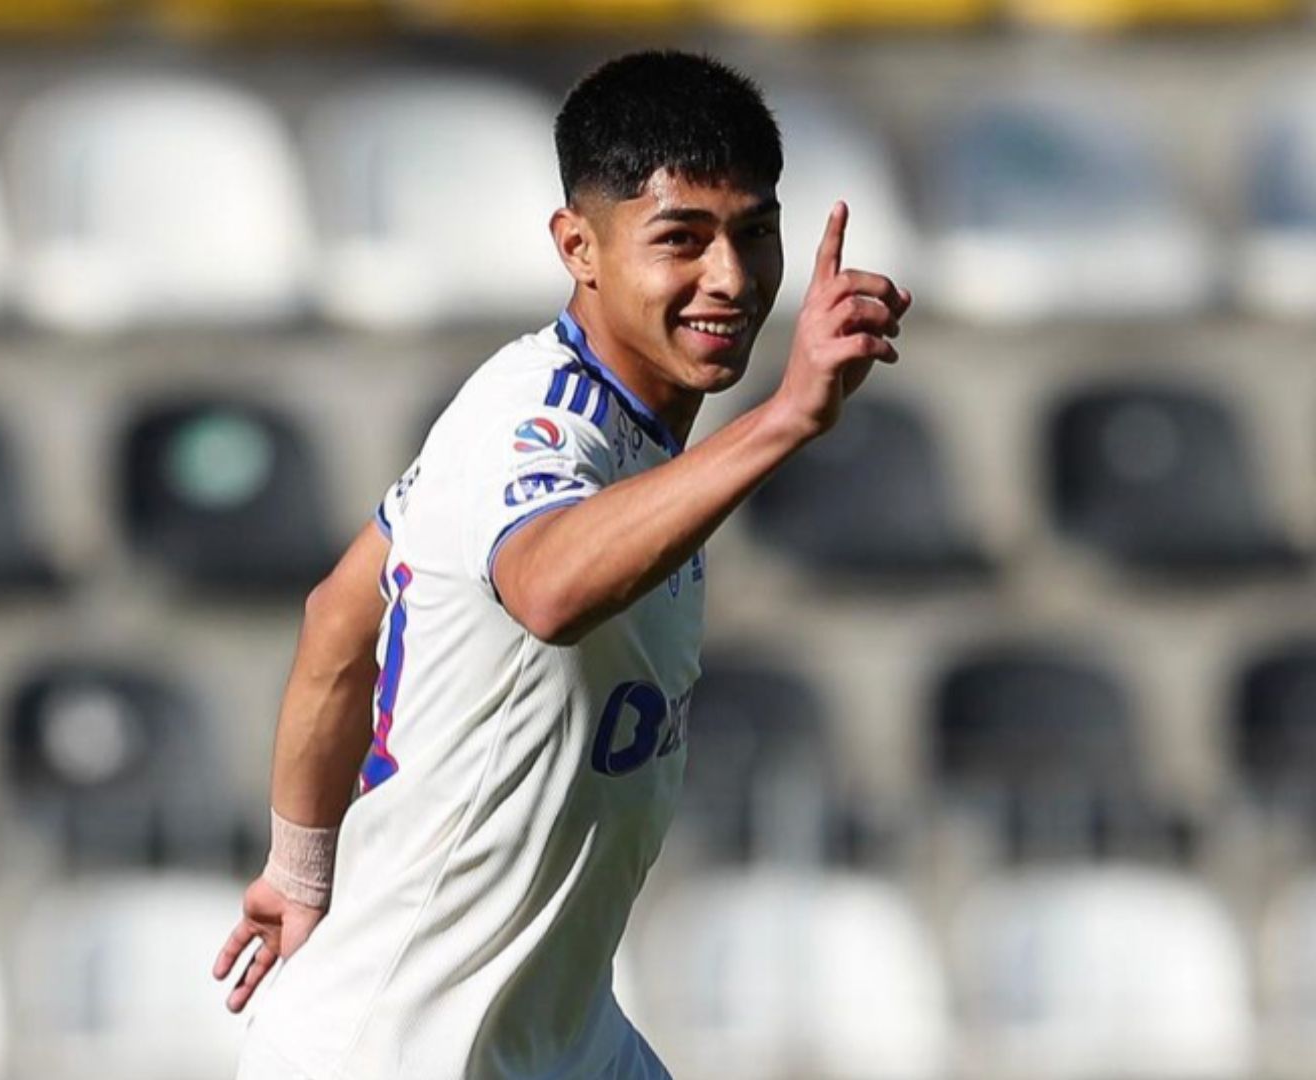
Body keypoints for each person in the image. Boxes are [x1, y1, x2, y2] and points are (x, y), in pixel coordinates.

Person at [213, 49, 911, 1079]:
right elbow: (546, 589)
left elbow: (338, 618)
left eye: (754, 234)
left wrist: (300, 872)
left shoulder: (626, 442)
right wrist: (783, 420)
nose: (729, 278)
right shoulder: (532, 419)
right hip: (405, 1048)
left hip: (562, 1032)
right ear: (577, 246)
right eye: (682, 238)